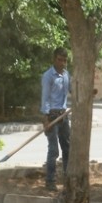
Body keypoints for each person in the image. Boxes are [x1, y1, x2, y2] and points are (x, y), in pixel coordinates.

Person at [40, 47, 72, 191]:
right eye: (60, 60)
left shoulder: (66, 75)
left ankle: (68, 179)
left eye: (65, 60)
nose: (62, 63)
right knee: (53, 150)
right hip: (51, 115)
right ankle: (50, 181)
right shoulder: (48, 76)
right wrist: (45, 119)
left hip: (64, 115)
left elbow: (72, 90)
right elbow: (45, 98)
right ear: (54, 59)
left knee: (68, 148)